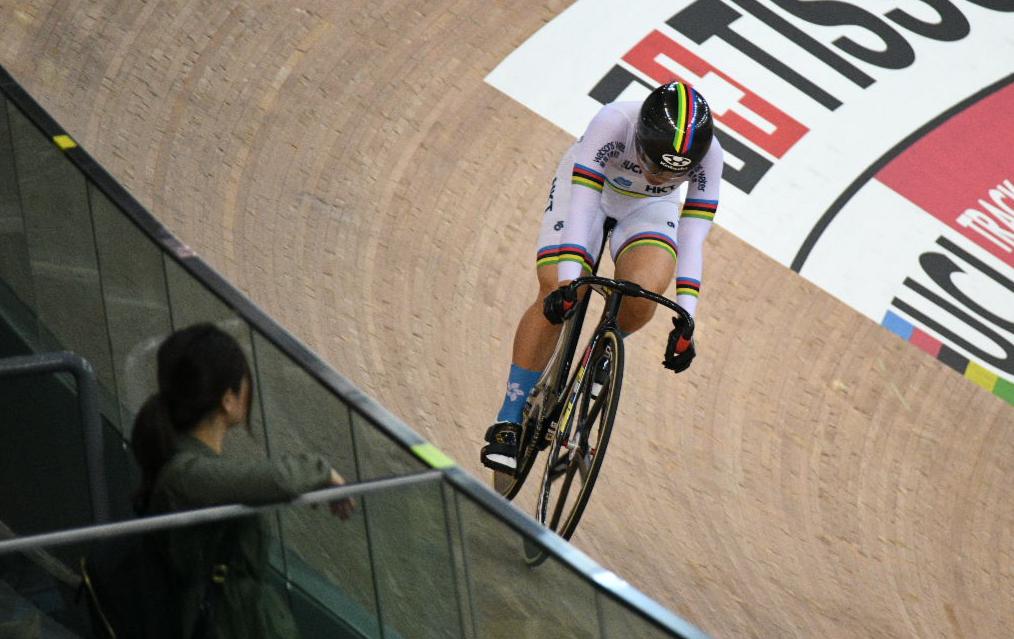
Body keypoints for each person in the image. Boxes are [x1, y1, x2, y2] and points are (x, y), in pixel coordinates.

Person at [481, 80, 722, 472]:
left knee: (645, 296)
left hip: (649, 210)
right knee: (555, 291)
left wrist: (687, 318)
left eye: (670, 174)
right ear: (639, 137)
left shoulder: (710, 156)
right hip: (589, 193)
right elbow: (581, 205)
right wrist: (568, 282)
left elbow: (692, 238)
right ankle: (508, 420)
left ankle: (603, 350)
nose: (659, 177)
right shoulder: (613, 123)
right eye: (653, 164)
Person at [131, 322, 354, 638]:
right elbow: (279, 479)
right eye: (245, 382)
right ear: (228, 399)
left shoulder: (187, 466)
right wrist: (323, 471)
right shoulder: (185, 475)